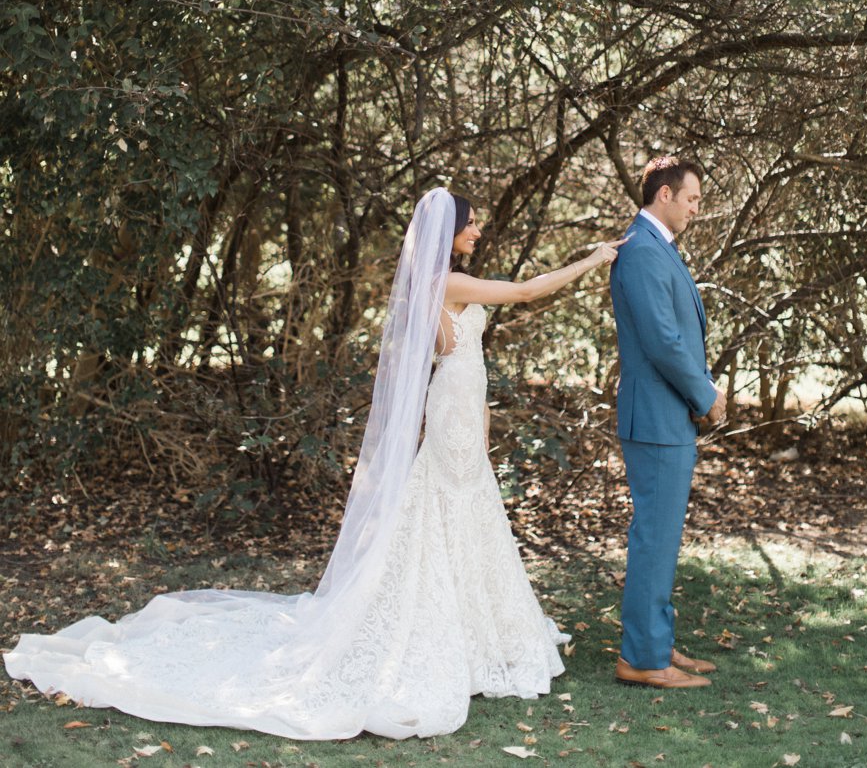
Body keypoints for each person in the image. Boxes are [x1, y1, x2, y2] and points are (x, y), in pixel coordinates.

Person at [4, 187, 623, 740]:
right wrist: (593, 259)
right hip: (452, 410)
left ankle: (476, 634)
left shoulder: (442, 283)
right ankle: (450, 637)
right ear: (447, 232)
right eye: (471, 223)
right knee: (442, 511)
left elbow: (472, 363)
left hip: (461, 408)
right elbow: (523, 292)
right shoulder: (445, 284)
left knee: (465, 513)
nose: (478, 230)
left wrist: (483, 423)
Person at [609, 156, 726, 690]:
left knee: (661, 537)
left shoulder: (656, 248)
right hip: (656, 416)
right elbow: (661, 340)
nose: (696, 209)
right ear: (664, 195)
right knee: (654, 539)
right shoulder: (640, 252)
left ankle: (656, 643)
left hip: (666, 416)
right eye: (693, 199)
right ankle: (643, 660)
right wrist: (706, 394)